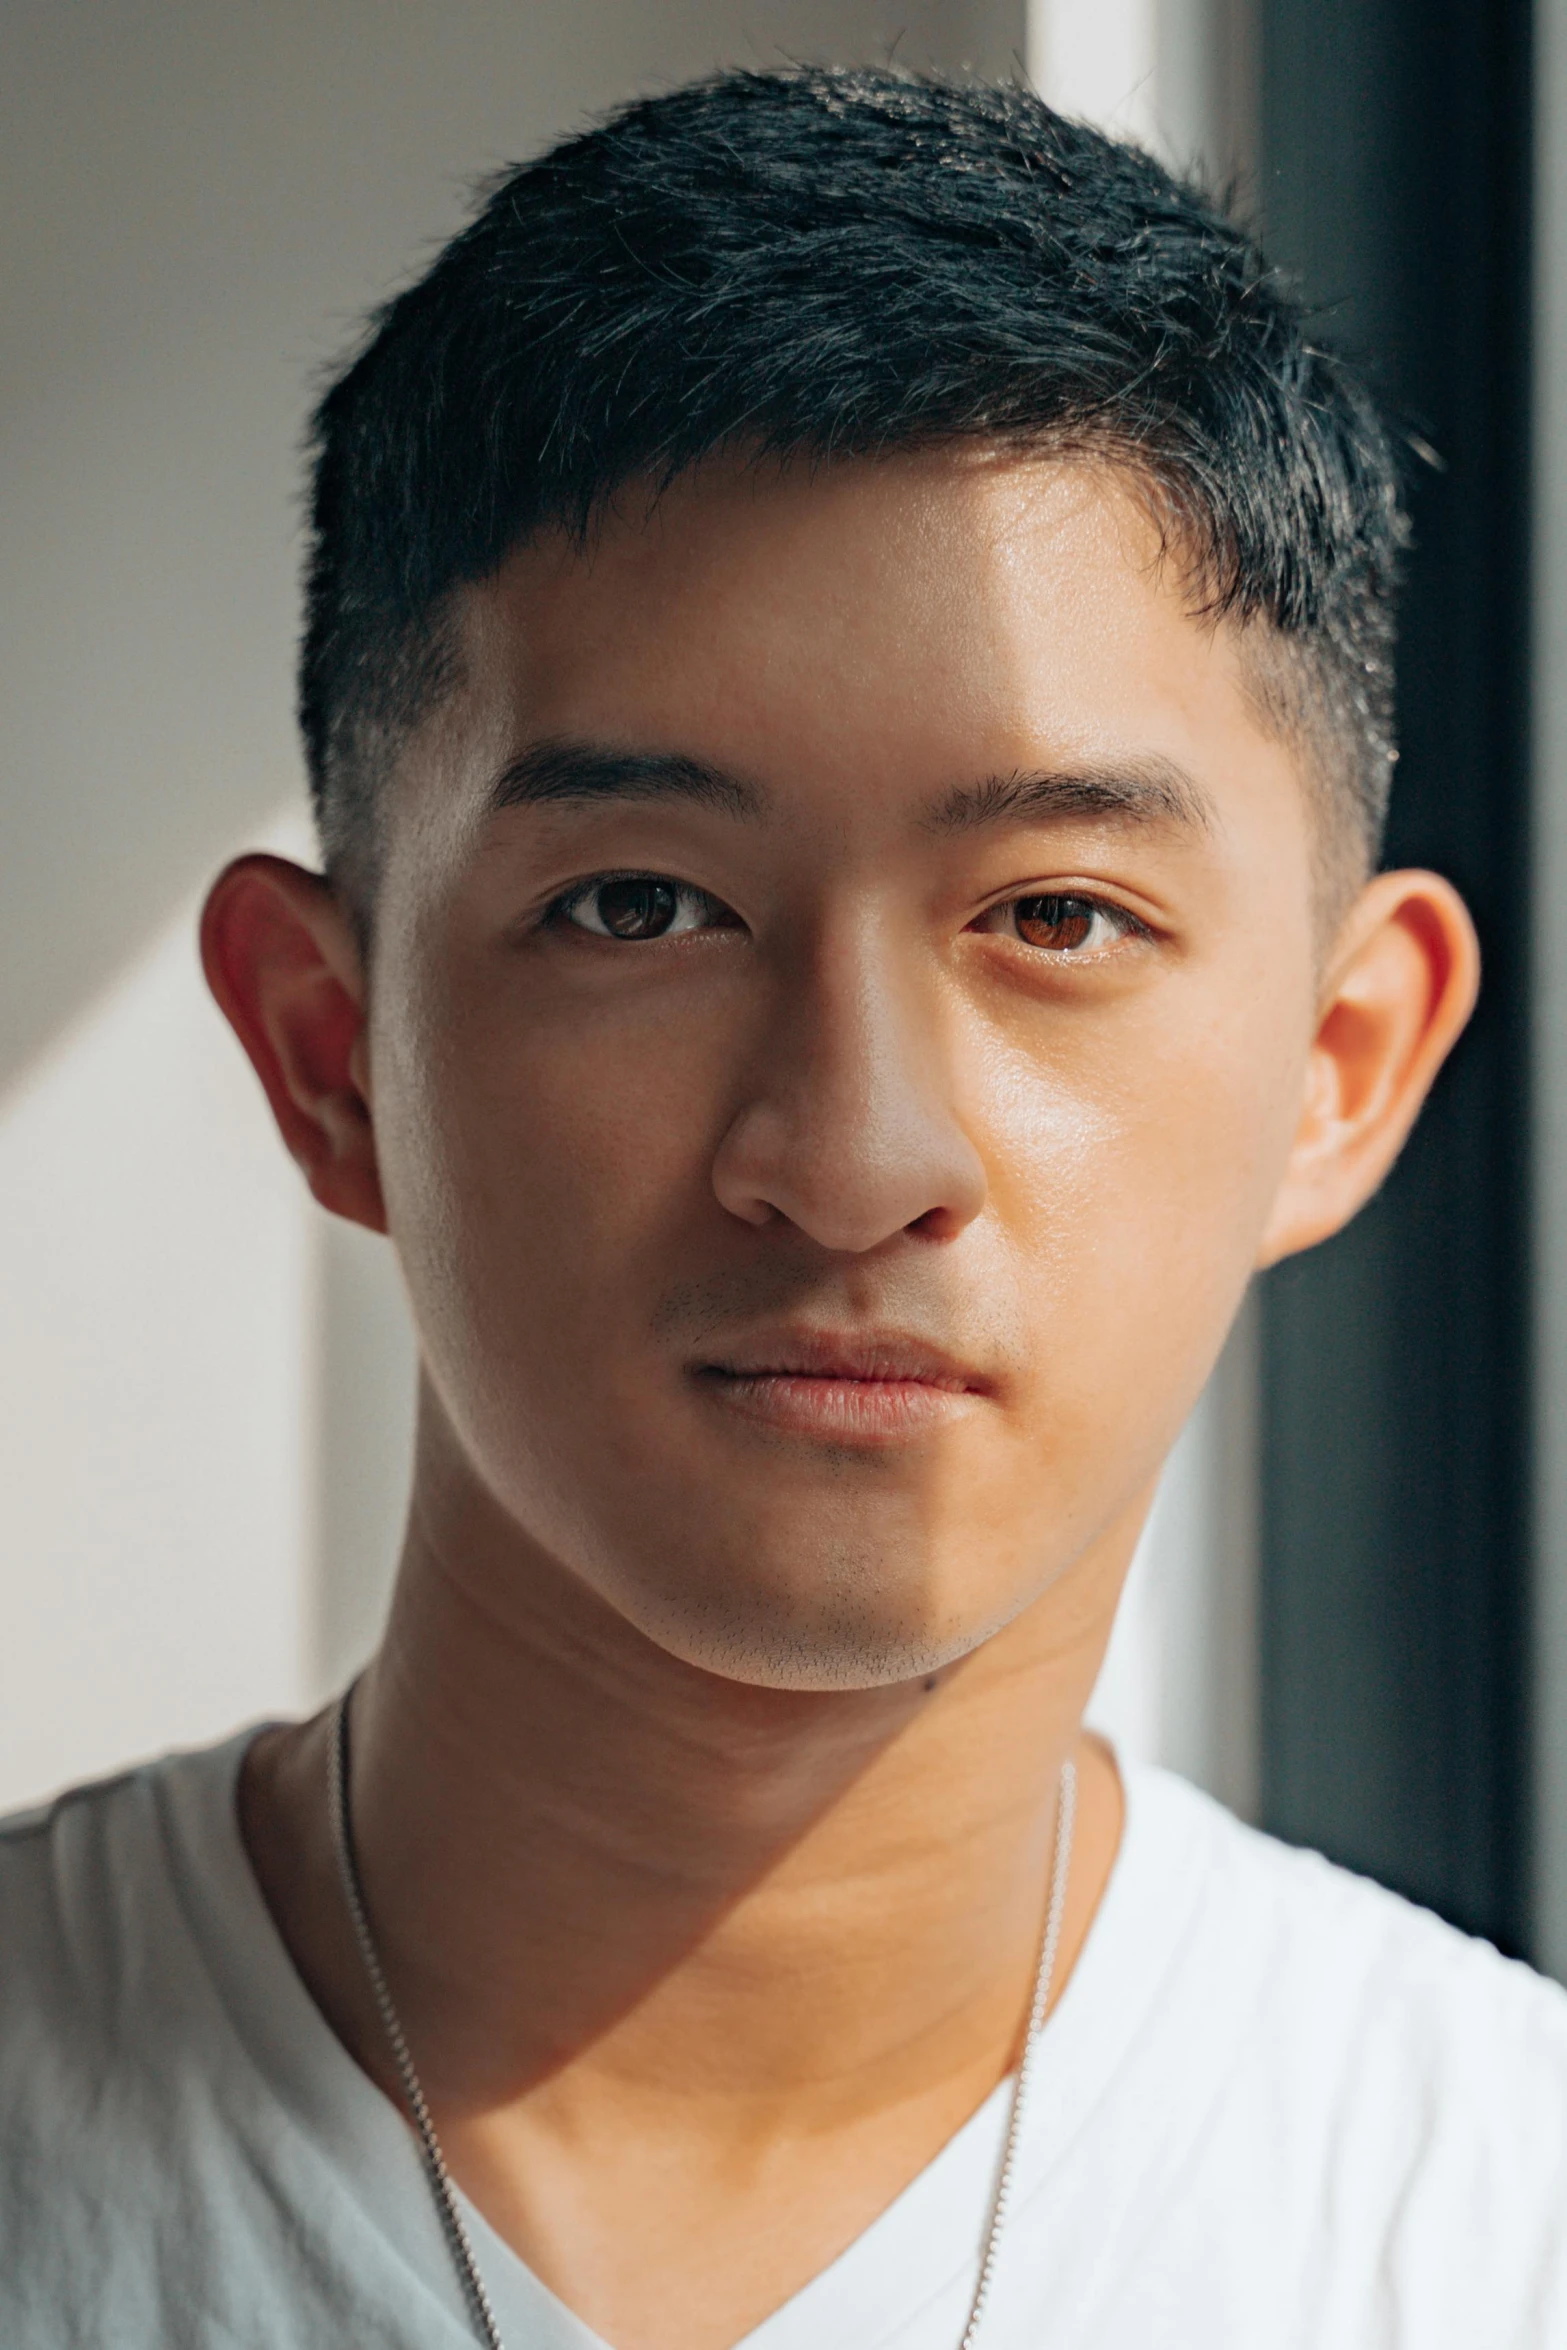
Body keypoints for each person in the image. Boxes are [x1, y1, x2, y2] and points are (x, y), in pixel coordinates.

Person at [3, 63, 1564, 2350]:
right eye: (643, 904)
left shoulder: (1497, 2229)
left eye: (1055, 915)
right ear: (331, 1048)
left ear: (1338, 1069)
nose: (851, 1153)